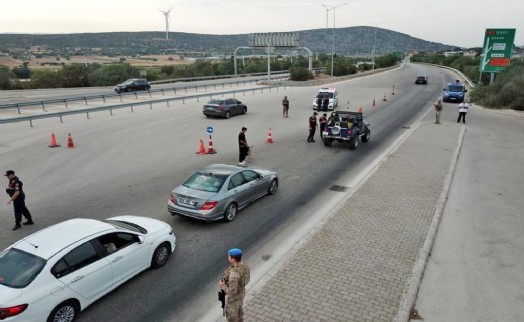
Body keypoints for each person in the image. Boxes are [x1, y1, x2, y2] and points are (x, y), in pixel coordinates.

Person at [219, 248, 250, 322]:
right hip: (241, 293)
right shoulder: (244, 265)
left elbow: (232, 291)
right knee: (239, 312)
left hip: (234, 299)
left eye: (229, 256)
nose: (228, 257)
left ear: (233, 259)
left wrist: (223, 286)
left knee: (231, 317)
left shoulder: (233, 275)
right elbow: (246, 280)